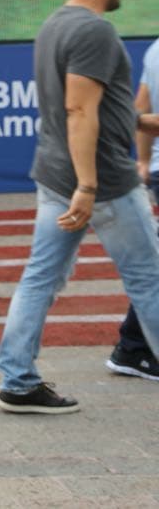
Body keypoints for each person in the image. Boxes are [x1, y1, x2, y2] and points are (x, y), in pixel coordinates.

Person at [0, 0, 159, 413]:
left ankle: (18, 380)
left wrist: (141, 122)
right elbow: (78, 108)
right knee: (149, 280)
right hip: (101, 182)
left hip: (55, 175)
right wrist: (88, 186)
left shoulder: (54, 25)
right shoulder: (95, 32)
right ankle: (18, 379)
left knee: (39, 278)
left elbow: (94, 106)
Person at [106, 36, 159, 380]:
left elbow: (141, 106)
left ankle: (134, 345)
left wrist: (143, 160)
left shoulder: (155, 49)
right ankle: (133, 346)